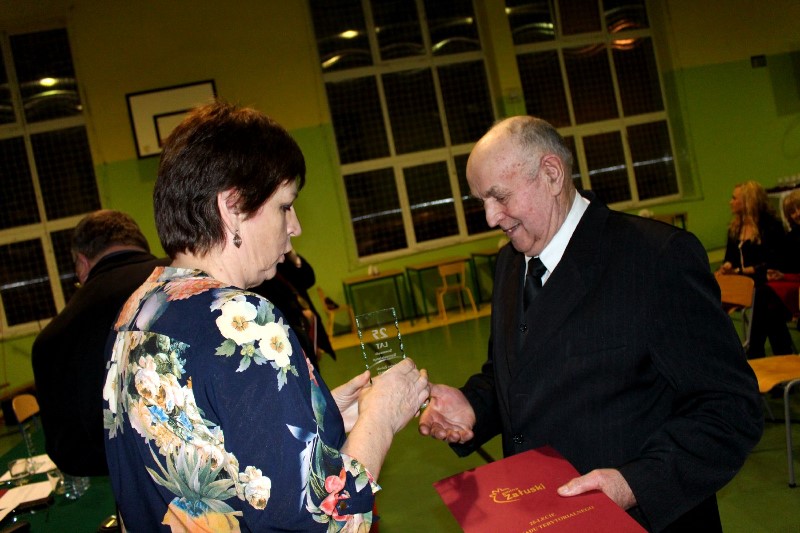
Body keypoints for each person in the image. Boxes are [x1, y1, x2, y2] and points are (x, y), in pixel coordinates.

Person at [418, 116, 763, 532]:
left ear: (551, 174)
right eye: (482, 201)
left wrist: (634, 484)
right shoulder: (511, 263)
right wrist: (474, 405)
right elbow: (515, 371)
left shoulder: (654, 258)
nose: (491, 217)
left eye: (500, 197)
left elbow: (730, 406)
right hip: (545, 516)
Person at [102, 101, 429, 532]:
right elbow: (324, 521)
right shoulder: (239, 319)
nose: (295, 227)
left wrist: (321, 414)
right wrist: (380, 419)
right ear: (233, 207)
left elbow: (211, 445)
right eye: (284, 206)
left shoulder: (138, 309)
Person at [31, 209, 168, 478]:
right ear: (141, 243)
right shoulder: (193, 278)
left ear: (82, 264)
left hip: (125, 484)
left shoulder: (52, 340)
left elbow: (70, 454)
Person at [717, 180, 794, 357]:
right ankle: (780, 351)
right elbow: (730, 258)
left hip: (767, 280)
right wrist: (727, 266)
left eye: (734, 198)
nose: (730, 202)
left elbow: (774, 263)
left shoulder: (771, 226)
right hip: (745, 282)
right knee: (766, 306)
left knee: (763, 298)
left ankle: (755, 351)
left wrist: (741, 271)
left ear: (748, 201)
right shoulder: (735, 229)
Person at [250, 248, 335, 371]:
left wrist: (294, 259)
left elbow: (308, 280)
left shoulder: (283, 260)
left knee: (313, 365)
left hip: (303, 326)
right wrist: (300, 315)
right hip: (288, 329)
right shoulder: (257, 271)